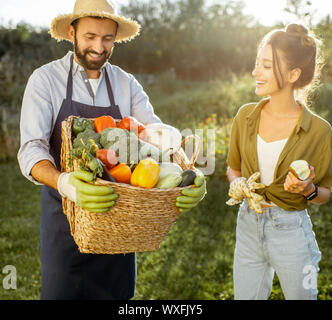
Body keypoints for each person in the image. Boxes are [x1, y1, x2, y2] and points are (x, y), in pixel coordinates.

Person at [17, 0, 206, 300]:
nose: (98, 47)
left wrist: (187, 171)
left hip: (121, 220)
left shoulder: (125, 83)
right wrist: (65, 183)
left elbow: (155, 135)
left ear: (116, 38)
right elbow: (31, 150)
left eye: (107, 39)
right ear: (72, 31)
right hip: (65, 219)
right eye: (90, 37)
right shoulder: (46, 80)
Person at [226, 23, 332, 300]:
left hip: (292, 233)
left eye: (265, 65)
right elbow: (233, 168)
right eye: (256, 63)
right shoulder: (244, 117)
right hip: (249, 225)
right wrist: (237, 182)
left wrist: (307, 189)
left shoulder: (320, 131)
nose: (254, 72)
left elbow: (324, 194)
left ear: (293, 74)